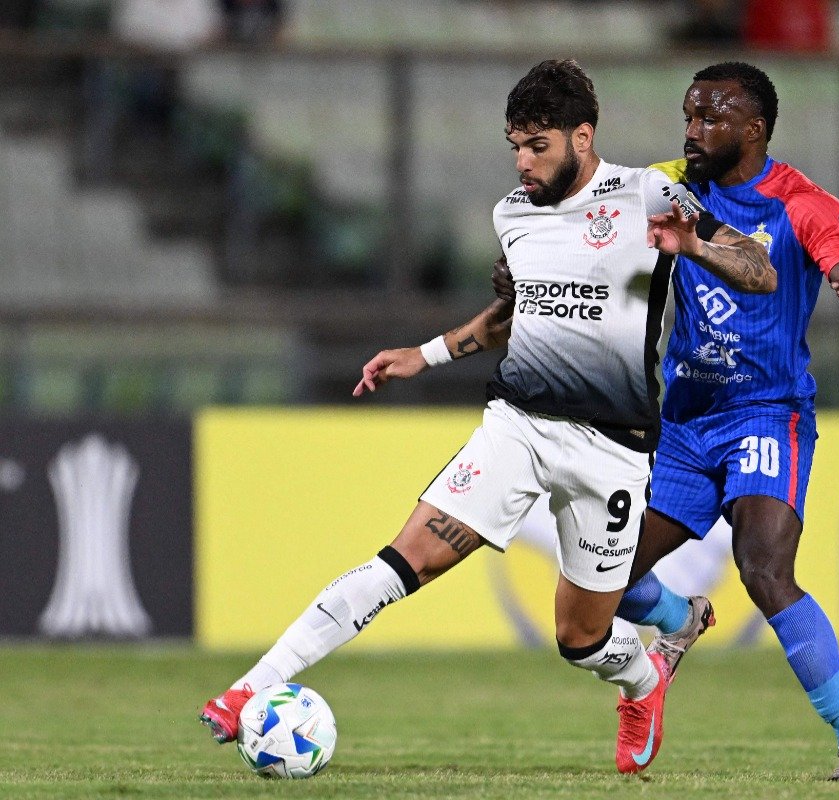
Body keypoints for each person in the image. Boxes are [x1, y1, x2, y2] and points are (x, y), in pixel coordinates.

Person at [198, 58, 774, 775]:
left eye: (538, 146)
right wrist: (426, 353)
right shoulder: (514, 213)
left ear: (582, 138)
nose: (524, 163)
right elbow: (516, 315)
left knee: (580, 639)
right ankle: (249, 689)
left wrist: (690, 244)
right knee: (400, 562)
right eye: (515, 147)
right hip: (519, 428)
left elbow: (760, 269)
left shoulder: (650, 194)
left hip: (614, 448)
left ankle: (645, 680)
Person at [498, 61, 839, 781]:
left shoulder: (800, 203)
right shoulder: (668, 183)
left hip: (766, 416)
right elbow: (586, 238)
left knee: (766, 570)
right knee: (602, 576)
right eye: (689, 115)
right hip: (681, 425)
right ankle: (679, 618)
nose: (693, 129)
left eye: (711, 119)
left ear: (754, 129)